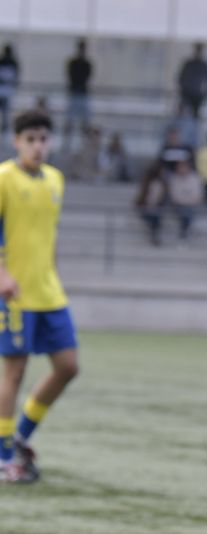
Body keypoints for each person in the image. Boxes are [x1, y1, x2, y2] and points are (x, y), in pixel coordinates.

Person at [0, 110, 80, 483]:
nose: (37, 146)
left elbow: (49, 235)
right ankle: (2, 459)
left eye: (43, 139)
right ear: (16, 141)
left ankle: (20, 437)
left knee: (68, 367)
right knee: (13, 374)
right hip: (14, 295)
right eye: (30, 139)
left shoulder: (56, 181)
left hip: (49, 292)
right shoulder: (3, 179)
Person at [64, 39, 93, 149]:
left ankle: (84, 145)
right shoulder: (74, 63)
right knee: (70, 121)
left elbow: (88, 77)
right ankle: (67, 144)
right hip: (75, 94)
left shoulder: (86, 63)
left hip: (82, 94)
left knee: (84, 122)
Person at [167, 160, 203, 241]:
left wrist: (186, 200)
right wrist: (186, 200)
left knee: (188, 210)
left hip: (191, 205)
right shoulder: (174, 179)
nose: (182, 170)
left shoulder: (195, 178)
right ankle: (185, 230)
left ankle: (184, 230)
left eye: (184, 168)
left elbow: (198, 195)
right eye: (180, 168)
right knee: (184, 210)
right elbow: (174, 196)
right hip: (178, 206)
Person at [134, 161, 168, 247]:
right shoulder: (147, 183)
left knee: (155, 217)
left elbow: (161, 199)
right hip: (146, 207)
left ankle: (154, 236)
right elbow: (142, 199)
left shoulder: (162, 183)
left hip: (156, 208)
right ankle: (154, 236)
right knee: (154, 217)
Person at [177, 42, 207, 118]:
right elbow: (181, 77)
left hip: (197, 94)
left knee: (194, 114)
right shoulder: (189, 64)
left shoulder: (204, 65)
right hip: (188, 92)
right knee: (182, 112)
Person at [0, 44, 20, 139]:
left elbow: (15, 78)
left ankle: (4, 131)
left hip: (6, 91)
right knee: (5, 112)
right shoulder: (9, 62)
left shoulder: (12, 63)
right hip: (5, 91)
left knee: (5, 113)